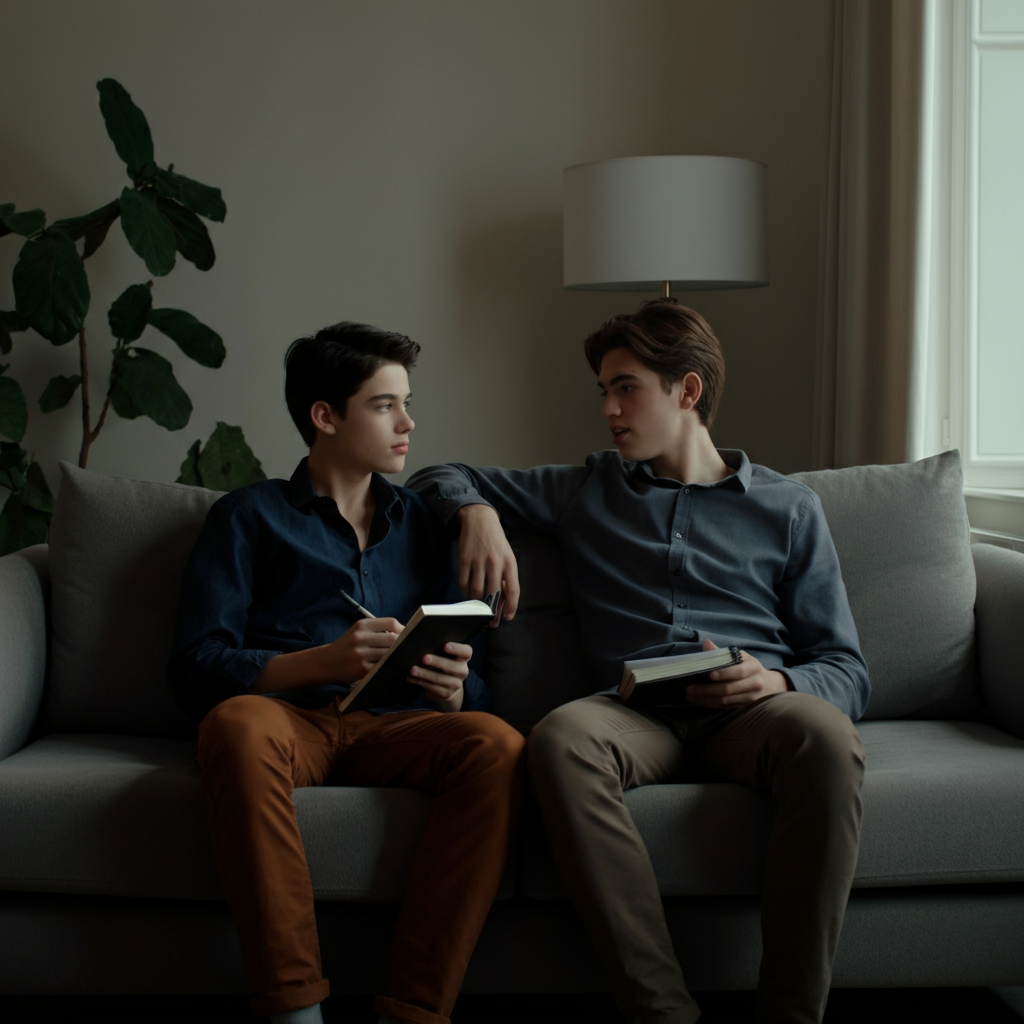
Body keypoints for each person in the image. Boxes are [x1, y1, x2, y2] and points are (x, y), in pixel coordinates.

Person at [407, 301, 870, 1024]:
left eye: (626, 388)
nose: (609, 409)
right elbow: (437, 474)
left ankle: (790, 1015)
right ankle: (662, 1012)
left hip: (753, 711)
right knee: (560, 740)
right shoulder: (587, 486)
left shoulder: (790, 508)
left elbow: (845, 667)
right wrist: (478, 513)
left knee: (829, 738)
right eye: (603, 391)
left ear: (687, 392)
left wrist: (778, 680)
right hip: (634, 714)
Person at [170, 322, 525, 1024]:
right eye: (385, 405)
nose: (408, 423)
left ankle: (414, 1011)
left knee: (498, 745)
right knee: (236, 726)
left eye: (407, 403)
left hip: (398, 724)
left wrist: (458, 690)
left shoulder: (427, 525)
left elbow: (477, 680)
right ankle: (294, 1007)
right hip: (289, 721)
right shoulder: (247, 517)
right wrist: (323, 662)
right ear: (325, 417)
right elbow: (194, 668)